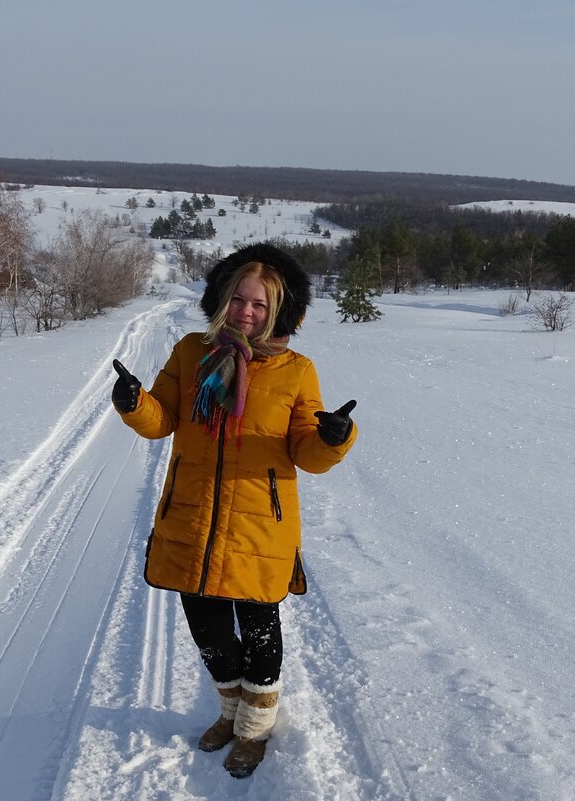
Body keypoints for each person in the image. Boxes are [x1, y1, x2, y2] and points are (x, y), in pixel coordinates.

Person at [110, 242, 358, 778]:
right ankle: (229, 712)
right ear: (223, 298)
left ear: (279, 310)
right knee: (210, 634)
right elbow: (163, 418)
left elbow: (306, 452)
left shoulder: (296, 371)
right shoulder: (191, 352)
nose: (246, 312)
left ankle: (254, 729)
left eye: (260, 304)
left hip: (258, 526)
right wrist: (135, 403)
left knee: (260, 631)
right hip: (192, 516)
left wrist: (333, 438)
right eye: (239, 299)